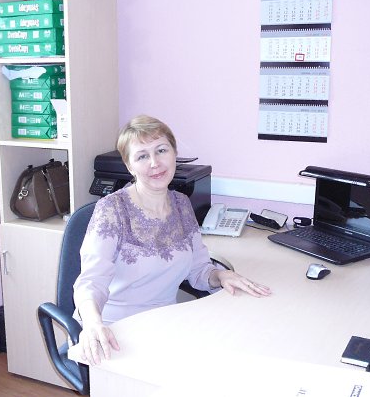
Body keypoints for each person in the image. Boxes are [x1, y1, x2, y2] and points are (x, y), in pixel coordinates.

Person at [73, 115, 271, 365]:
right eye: (142, 156)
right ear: (129, 166)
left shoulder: (182, 205)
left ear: (174, 154)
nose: (155, 163)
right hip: (115, 331)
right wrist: (93, 324)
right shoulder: (112, 210)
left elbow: (199, 270)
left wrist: (221, 275)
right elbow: (91, 282)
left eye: (161, 150)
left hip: (166, 326)